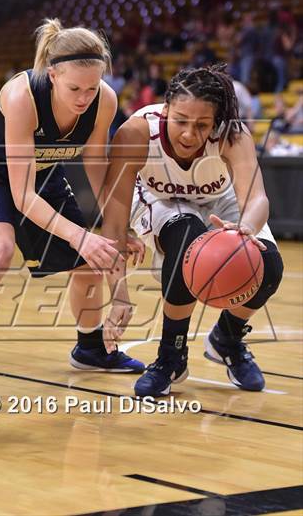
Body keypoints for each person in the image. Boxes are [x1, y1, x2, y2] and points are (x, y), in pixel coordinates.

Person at [0, 18, 145, 414]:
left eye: (92, 88)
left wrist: (117, 231)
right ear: (52, 74)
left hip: (43, 170)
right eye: (75, 88)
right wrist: (81, 236)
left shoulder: (104, 101)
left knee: (90, 254)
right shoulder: (21, 95)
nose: (84, 97)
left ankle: (90, 347)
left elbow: (96, 175)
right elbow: (21, 195)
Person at [101, 64, 284, 397]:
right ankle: (171, 355)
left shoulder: (233, 133)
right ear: (166, 109)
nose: (188, 133)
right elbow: (113, 222)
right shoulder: (136, 132)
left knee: (268, 265)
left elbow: (257, 198)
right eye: (180, 121)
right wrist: (118, 295)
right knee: (187, 241)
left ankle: (226, 339)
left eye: (202, 125)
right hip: (161, 199)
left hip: (220, 201)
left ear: (216, 122)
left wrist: (245, 228)